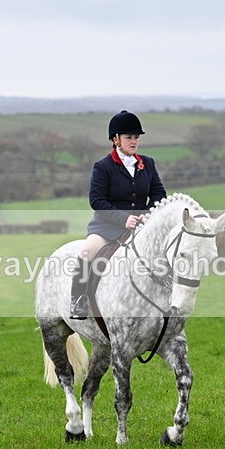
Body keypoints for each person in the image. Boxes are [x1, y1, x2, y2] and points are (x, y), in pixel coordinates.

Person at [70, 110, 167, 319]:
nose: (134, 142)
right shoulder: (103, 167)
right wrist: (124, 218)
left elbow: (158, 194)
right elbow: (97, 201)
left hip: (141, 226)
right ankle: (77, 300)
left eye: (136, 137)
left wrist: (146, 215)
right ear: (115, 139)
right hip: (107, 227)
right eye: (128, 137)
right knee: (87, 251)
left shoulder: (147, 163)